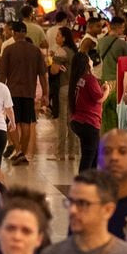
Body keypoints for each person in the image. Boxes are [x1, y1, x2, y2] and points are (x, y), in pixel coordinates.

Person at [0, 21, 48, 166]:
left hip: (11, 92)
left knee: (12, 123)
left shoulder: (8, 50)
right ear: (25, 33)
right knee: (26, 123)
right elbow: (42, 75)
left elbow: (2, 75)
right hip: (28, 92)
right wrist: (45, 93)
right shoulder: (35, 51)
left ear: (13, 33)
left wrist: (0, 93)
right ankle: (22, 153)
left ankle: (19, 150)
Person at [69, 52, 110, 172]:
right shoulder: (90, 79)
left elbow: (90, 95)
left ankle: (90, 182)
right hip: (89, 122)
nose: (92, 61)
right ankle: (83, 184)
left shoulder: (79, 79)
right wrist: (107, 90)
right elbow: (99, 98)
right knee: (89, 157)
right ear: (86, 63)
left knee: (94, 155)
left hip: (78, 121)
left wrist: (100, 90)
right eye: (89, 59)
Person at [49, 26, 76, 161]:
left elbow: (53, 71)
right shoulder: (73, 51)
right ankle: (71, 153)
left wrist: (54, 62)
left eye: (58, 35)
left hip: (64, 87)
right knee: (71, 120)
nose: (56, 37)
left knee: (62, 121)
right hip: (74, 89)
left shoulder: (61, 51)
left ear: (64, 38)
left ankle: (60, 153)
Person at [97, 18, 127, 132]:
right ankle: (116, 137)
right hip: (117, 81)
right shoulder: (122, 44)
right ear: (119, 27)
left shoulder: (100, 42)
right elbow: (126, 64)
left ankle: (104, 140)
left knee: (104, 114)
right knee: (117, 113)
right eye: (123, 27)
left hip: (103, 81)